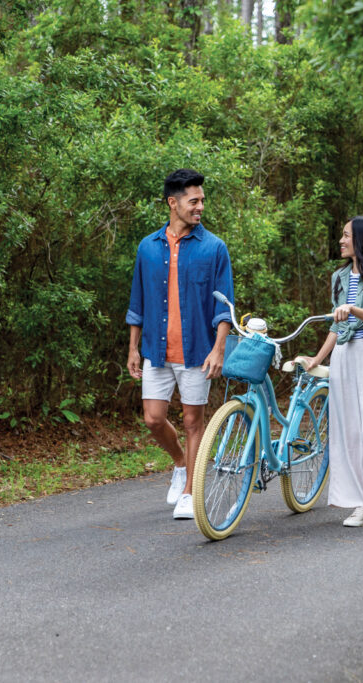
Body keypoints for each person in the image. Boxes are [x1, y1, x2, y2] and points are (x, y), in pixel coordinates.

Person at [126, 169, 234, 520]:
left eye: (202, 200)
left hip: (196, 351)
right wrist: (133, 348)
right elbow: (137, 302)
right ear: (173, 203)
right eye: (194, 201)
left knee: (192, 421)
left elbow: (224, 306)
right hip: (156, 352)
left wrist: (219, 349)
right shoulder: (148, 247)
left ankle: (190, 491)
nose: (200, 206)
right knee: (153, 419)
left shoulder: (214, 248)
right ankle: (180, 464)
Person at [296, 216, 363, 527]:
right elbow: (336, 324)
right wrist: (317, 360)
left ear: (361, 241)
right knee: (351, 436)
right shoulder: (339, 276)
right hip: (344, 358)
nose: (341, 241)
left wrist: (352, 309)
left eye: (346, 236)